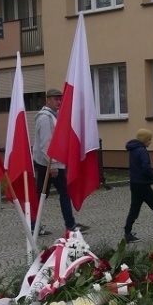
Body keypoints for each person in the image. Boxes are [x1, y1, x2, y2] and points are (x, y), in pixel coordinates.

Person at [32, 88, 88, 235]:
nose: (58, 102)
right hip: (48, 164)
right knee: (60, 193)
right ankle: (69, 225)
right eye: (55, 99)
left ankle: (34, 224)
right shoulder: (45, 118)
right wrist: (54, 164)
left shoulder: (53, 116)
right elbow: (46, 144)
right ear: (48, 100)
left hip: (51, 162)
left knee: (43, 194)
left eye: (59, 99)